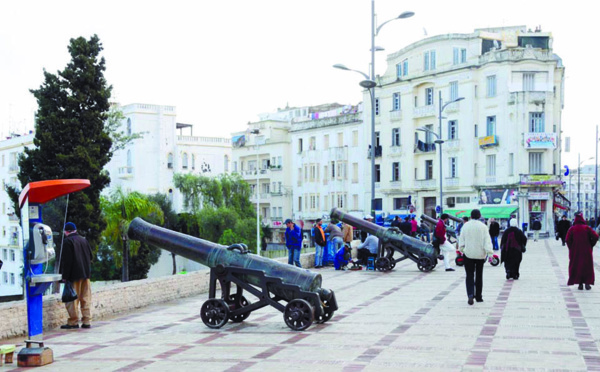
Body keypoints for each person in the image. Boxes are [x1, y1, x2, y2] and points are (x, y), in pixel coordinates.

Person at [59, 222, 93, 329]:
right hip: (86, 274)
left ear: (66, 231)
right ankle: (87, 321)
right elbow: (91, 256)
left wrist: (65, 276)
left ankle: (73, 322)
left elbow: (67, 262)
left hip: (74, 275)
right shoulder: (84, 240)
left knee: (72, 299)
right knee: (86, 298)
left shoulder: (67, 242)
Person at [458, 209, 494, 305]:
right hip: (480, 255)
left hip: (468, 254)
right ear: (479, 216)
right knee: (479, 275)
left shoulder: (466, 226)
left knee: (469, 275)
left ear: (471, 216)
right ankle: (478, 296)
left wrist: (462, 249)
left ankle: (470, 294)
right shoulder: (483, 227)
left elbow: (461, 239)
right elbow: (487, 241)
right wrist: (490, 253)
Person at [566, 214, 599, 290]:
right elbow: (596, 236)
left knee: (577, 266)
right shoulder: (587, 228)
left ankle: (580, 283)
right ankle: (587, 283)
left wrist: (571, 248)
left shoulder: (572, 229)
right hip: (586, 250)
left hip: (576, 251)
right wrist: (591, 244)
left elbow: (567, 240)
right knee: (587, 266)